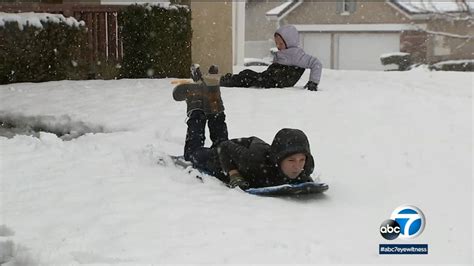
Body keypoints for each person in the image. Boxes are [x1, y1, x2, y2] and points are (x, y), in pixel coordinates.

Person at [174, 69, 316, 189]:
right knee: (192, 153)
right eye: (291, 161)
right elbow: (224, 147)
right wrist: (234, 174)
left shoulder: (302, 170)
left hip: (241, 150)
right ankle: (195, 99)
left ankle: (213, 92)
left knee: (220, 140)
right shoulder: (254, 163)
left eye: (301, 160)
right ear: (279, 159)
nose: (297, 167)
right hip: (222, 158)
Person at [220, 24, 322, 91]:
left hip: (276, 81)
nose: (278, 46)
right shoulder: (284, 53)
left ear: (289, 41)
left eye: (281, 43)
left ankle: (228, 81)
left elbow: (316, 63)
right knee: (248, 74)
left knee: (248, 76)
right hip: (272, 78)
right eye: (276, 43)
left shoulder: (297, 55)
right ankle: (230, 79)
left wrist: (313, 82)